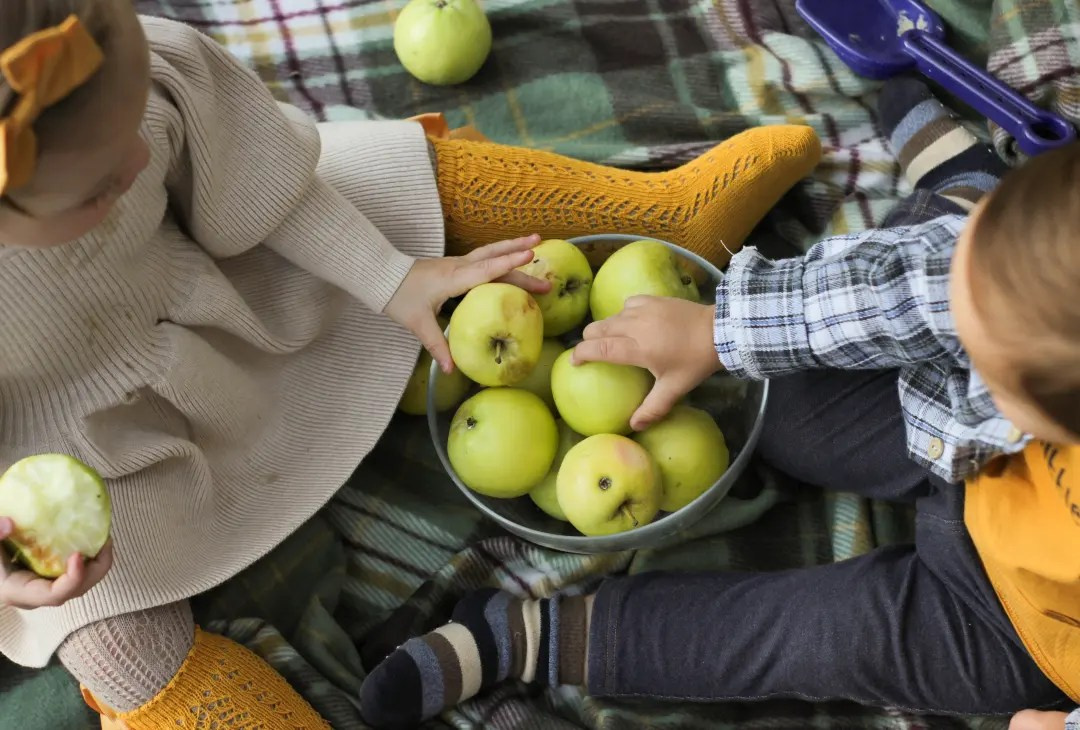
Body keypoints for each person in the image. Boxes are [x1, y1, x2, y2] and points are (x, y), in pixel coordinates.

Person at [0, 0, 821, 726]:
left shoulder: (139, 73)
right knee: (117, 648)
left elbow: (263, 185)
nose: (138, 164)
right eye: (101, 186)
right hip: (98, 455)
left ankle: (659, 217)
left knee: (381, 178)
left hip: (225, 286)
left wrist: (392, 280)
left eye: (134, 131)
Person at [359, 79, 1080, 729]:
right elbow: (918, 294)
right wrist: (723, 330)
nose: (958, 324)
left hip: (1017, 621)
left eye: (986, 353)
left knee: (818, 640)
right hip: (959, 430)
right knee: (792, 400)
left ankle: (525, 637)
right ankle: (966, 198)